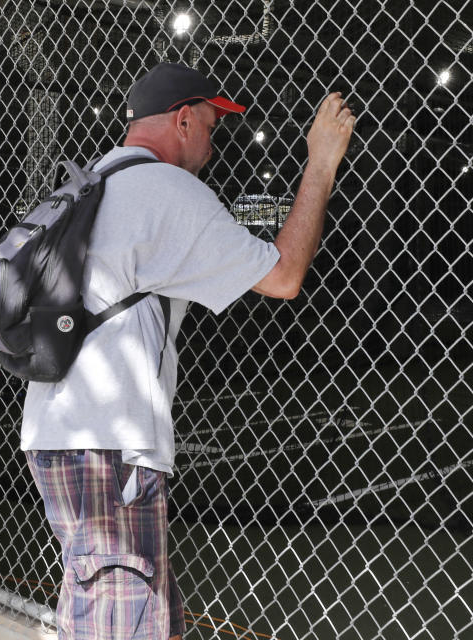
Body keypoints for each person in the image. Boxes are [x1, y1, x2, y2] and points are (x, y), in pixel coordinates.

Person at [20, 62, 355, 640]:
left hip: (61, 434)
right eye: (209, 124)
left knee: (131, 616)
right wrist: (321, 164)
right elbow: (283, 275)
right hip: (112, 447)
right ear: (181, 119)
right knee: (122, 625)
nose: (213, 140)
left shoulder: (92, 179)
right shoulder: (168, 190)